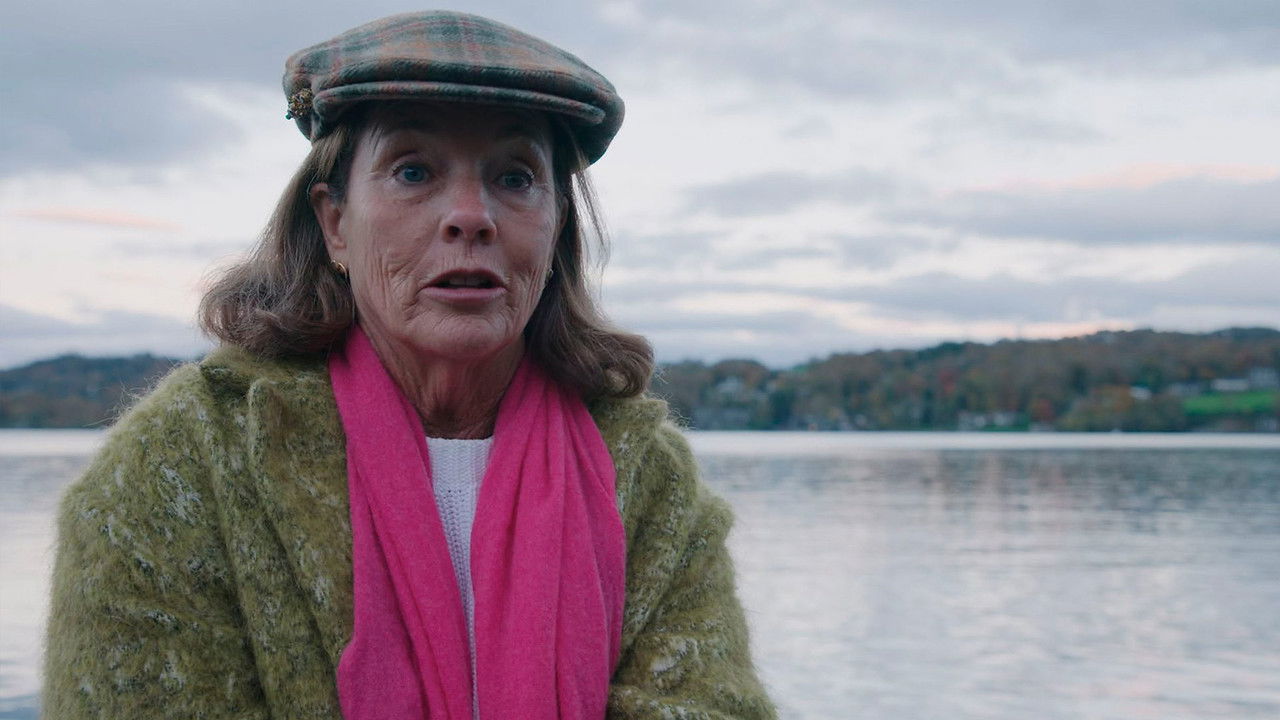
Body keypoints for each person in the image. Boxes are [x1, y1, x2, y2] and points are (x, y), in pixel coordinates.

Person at [42, 10, 776, 720]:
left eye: (516, 177)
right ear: (335, 222)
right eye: (414, 170)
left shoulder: (645, 477)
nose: (471, 216)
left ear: (557, 228)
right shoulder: (184, 460)